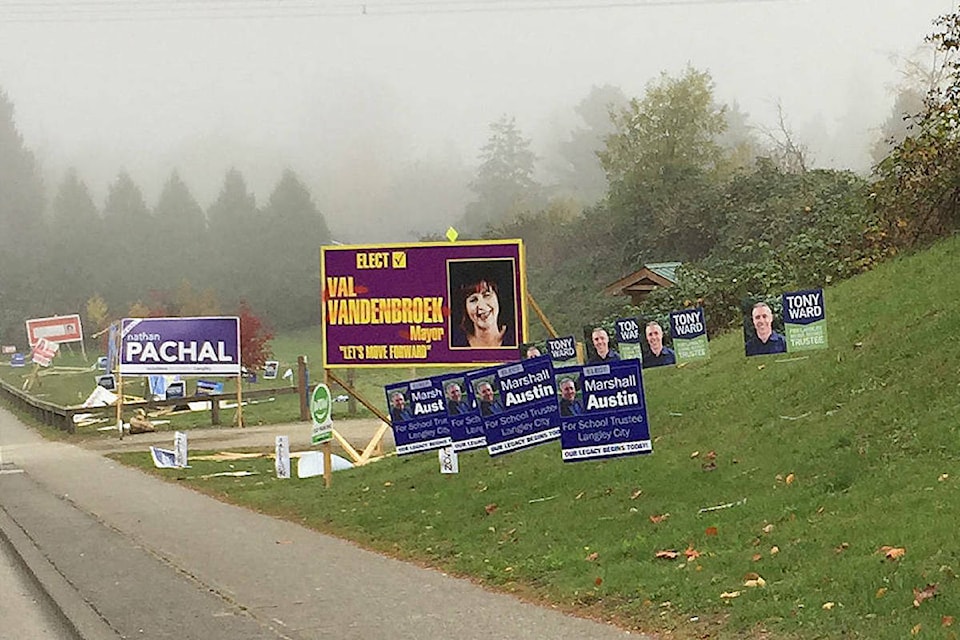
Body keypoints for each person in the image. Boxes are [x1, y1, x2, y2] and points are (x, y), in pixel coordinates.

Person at [451, 275, 515, 348]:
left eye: (487, 295)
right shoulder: (456, 342)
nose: (481, 306)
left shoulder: (515, 337)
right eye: (473, 300)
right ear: (465, 308)